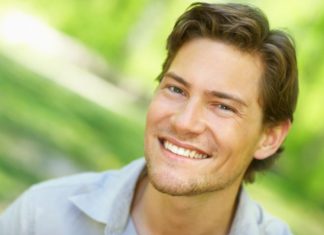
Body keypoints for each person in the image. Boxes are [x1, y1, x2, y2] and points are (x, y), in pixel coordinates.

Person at [0, 2, 298, 235]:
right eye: (176, 89)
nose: (184, 122)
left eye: (222, 106)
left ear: (269, 137)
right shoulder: (42, 216)